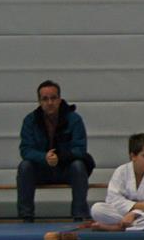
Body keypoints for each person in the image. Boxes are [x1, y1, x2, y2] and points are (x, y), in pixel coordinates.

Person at [17, 80, 94, 222]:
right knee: (25, 166)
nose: (50, 102)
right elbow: (25, 150)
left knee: (78, 166)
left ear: (59, 99)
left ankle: (80, 214)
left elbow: (80, 149)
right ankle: (26, 215)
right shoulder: (30, 121)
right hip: (41, 170)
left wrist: (59, 157)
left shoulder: (74, 119)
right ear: (39, 101)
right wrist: (44, 157)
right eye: (45, 99)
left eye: (53, 98)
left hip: (65, 169)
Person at [87, 133, 144, 231]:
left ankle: (118, 227)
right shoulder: (121, 171)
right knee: (97, 209)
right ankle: (134, 226)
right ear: (133, 156)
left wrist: (134, 213)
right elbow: (113, 199)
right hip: (123, 213)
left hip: (142, 214)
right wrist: (138, 206)